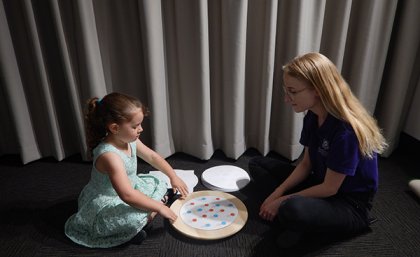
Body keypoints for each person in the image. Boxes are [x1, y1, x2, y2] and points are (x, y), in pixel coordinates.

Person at [249, 52, 387, 248]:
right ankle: (303, 217)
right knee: (257, 164)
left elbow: (331, 188)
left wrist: (281, 201)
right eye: (286, 91)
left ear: (318, 90)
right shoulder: (313, 116)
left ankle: (308, 222)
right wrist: (278, 192)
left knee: (291, 208)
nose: (287, 99)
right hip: (321, 182)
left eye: (293, 92)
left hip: (348, 203)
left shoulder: (346, 132)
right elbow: (306, 164)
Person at [65, 92, 189, 248]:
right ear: (115, 128)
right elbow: (127, 195)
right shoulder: (110, 156)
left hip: (131, 187)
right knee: (134, 218)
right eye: (135, 126)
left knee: (159, 182)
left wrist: (173, 176)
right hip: (109, 200)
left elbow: (152, 157)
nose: (141, 129)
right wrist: (159, 207)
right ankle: (131, 232)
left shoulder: (129, 139)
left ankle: (146, 217)